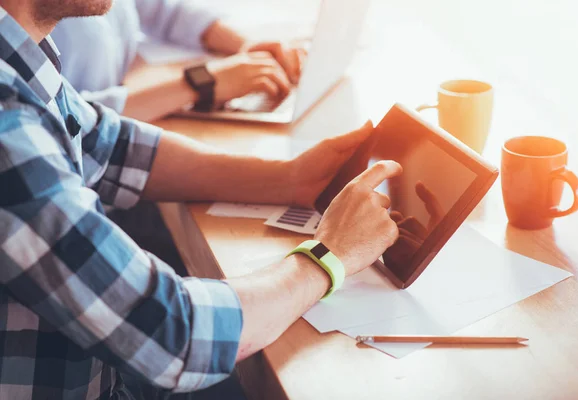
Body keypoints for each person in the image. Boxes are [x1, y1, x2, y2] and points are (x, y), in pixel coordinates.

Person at [0, 1, 402, 399]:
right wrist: (329, 256)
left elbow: (108, 146)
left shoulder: (19, 55)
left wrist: (287, 179)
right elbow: (172, 335)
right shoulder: (7, 124)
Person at [51, 0, 305, 121]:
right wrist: (198, 84)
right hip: (86, 173)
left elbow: (165, 10)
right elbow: (64, 121)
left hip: (116, 140)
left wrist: (246, 46)